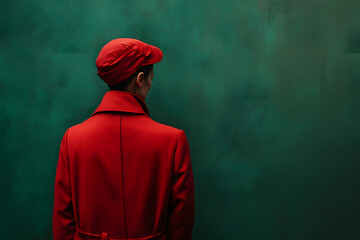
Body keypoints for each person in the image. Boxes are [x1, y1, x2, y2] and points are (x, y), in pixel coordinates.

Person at [52, 38, 195, 240]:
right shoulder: (173, 140)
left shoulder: (73, 138)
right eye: (151, 79)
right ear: (139, 79)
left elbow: (63, 222)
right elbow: (180, 225)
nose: (150, 85)